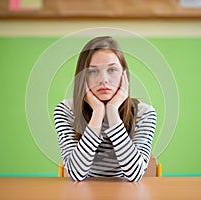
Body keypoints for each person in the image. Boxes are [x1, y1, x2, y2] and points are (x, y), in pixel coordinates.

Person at [53, 36, 157, 181]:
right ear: (82, 77)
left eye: (112, 70)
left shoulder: (144, 113)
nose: (104, 80)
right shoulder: (66, 110)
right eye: (93, 71)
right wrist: (97, 113)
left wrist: (113, 111)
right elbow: (76, 174)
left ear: (124, 75)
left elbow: (134, 175)